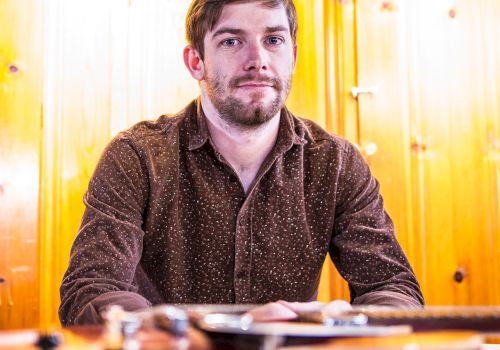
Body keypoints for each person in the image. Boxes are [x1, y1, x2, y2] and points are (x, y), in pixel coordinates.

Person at [59, 0, 424, 326]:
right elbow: (90, 292)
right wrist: (211, 330)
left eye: (273, 40)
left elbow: (395, 289)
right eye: (232, 41)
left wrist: (347, 320)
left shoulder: (336, 162)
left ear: (292, 55)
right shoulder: (137, 156)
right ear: (195, 61)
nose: (258, 60)